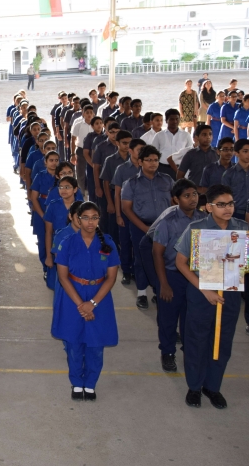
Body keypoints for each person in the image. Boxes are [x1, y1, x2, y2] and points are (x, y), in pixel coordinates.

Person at [175, 185, 246, 409]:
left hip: (230, 293)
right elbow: (180, 262)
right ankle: (194, 387)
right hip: (201, 293)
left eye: (230, 204)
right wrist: (204, 289)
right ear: (209, 207)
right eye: (221, 204)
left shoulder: (241, 229)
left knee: (223, 341)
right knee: (197, 340)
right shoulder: (197, 229)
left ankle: (213, 387)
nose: (228, 208)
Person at [53, 201, 120, 401]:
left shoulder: (108, 243)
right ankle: (76, 382)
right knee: (73, 343)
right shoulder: (67, 242)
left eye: (94, 218)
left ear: (99, 219)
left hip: (99, 296)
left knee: (95, 344)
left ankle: (90, 384)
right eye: (85, 218)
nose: (90, 222)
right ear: (77, 219)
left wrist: (93, 304)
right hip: (72, 296)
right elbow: (63, 277)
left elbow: (111, 277)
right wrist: (81, 305)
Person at [151, 179, 206, 373]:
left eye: (195, 194)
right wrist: (163, 283)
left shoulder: (204, 219)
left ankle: (189, 352)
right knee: (168, 317)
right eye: (186, 196)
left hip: (196, 276)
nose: (192, 199)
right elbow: (157, 253)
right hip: (173, 275)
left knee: (191, 317)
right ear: (176, 199)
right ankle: (167, 352)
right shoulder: (168, 221)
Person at [121, 145, 174, 308]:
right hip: (141, 226)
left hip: (165, 227)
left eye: (156, 160)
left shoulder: (167, 180)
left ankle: (159, 291)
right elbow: (126, 209)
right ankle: (142, 293)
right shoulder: (131, 183)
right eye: (149, 160)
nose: (153, 163)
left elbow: (175, 202)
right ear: (140, 162)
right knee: (141, 259)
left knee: (164, 259)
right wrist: (144, 228)